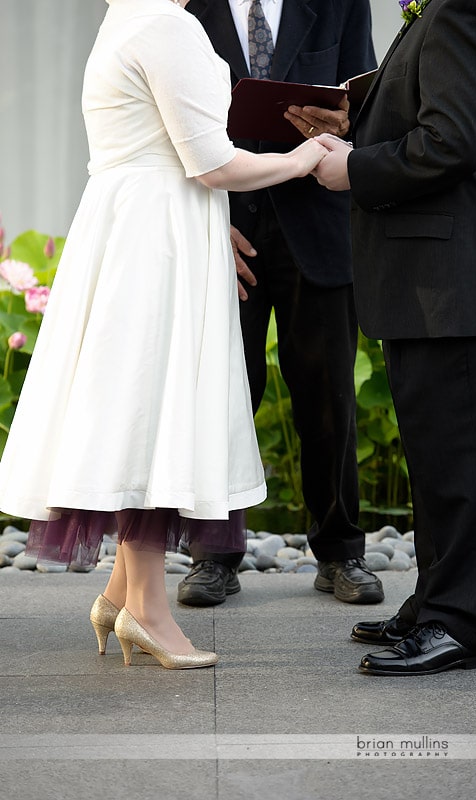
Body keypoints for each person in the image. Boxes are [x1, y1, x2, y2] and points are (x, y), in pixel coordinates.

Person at [0, 0, 328, 670]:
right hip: (157, 238)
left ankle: (122, 596)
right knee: (153, 412)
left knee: (135, 407)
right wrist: (304, 159)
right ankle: (148, 611)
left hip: (129, 227)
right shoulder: (167, 25)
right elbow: (212, 164)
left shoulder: (123, 16)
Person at [314, 0, 476, 675]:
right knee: (442, 462)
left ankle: (461, 624)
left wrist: (355, 167)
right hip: (443, 282)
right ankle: (438, 604)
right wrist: (359, 124)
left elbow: (455, 139)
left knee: (463, 467)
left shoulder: (466, 5)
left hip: (463, 283)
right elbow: (438, 111)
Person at [177, 0, 385, 607]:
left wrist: (342, 121)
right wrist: (202, 223)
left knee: (330, 396)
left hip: (317, 221)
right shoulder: (184, 7)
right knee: (220, 390)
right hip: (222, 227)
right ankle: (213, 555)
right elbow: (167, 128)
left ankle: (342, 551)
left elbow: (363, 98)